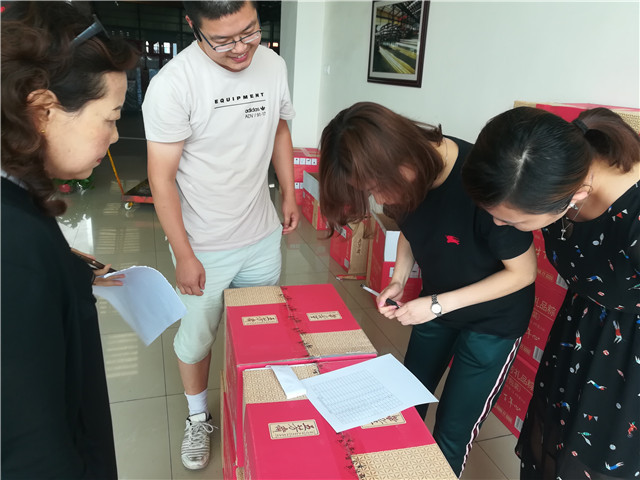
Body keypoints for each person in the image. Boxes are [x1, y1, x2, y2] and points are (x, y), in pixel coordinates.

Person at [318, 102, 537, 477]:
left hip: (492, 321)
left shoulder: (482, 180)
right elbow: (412, 228)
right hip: (436, 304)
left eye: (378, 188)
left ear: (400, 156)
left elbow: (523, 273)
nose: (380, 200)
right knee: (406, 403)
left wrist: (436, 305)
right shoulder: (401, 177)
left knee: (452, 431)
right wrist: (399, 278)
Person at [141, 0, 298, 470]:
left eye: (249, 32)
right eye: (223, 40)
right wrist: (184, 255)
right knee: (197, 338)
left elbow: (280, 130)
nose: (240, 48)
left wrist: (289, 193)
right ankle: (197, 417)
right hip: (203, 245)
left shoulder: (272, 64)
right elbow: (161, 179)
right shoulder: (174, 85)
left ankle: (254, 409)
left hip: (261, 233)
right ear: (193, 25)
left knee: (259, 329)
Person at [461, 106, 640, 480]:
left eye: (512, 220)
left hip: (628, 360)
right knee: (550, 447)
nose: (497, 224)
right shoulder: (559, 166)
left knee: (594, 463)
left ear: (575, 194)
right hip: (577, 333)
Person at [1, 2, 138, 478]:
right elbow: (30, 447)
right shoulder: (14, 249)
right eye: (110, 118)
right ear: (42, 110)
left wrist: (67, 268)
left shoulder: (16, 212)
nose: (115, 137)